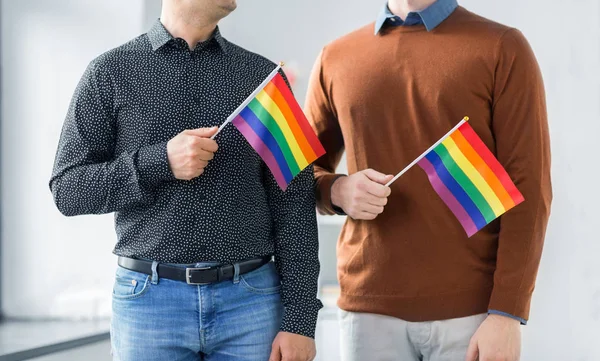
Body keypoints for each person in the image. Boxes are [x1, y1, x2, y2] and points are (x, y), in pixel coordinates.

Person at [49, 1, 321, 360]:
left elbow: (295, 203)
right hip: (148, 306)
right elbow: (68, 190)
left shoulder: (264, 79)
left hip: (252, 306)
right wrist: (160, 162)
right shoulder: (109, 73)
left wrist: (300, 321)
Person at [305, 0, 552, 360]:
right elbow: (301, 174)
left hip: (472, 315)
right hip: (367, 311)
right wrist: (338, 189)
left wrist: (507, 312)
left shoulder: (502, 47)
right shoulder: (335, 57)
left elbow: (529, 188)